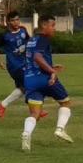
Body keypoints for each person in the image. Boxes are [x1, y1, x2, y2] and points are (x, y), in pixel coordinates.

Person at [21, 15, 73, 152]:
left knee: (35, 113)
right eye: (53, 25)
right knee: (65, 103)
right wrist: (52, 71)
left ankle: (26, 133)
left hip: (30, 80)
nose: (54, 29)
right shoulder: (44, 39)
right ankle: (60, 129)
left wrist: (50, 65)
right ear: (44, 26)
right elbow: (38, 57)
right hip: (45, 78)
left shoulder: (31, 40)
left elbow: (32, 59)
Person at [0, 11, 32, 118]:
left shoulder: (23, 30)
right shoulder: (4, 35)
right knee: (30, 83)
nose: (16, 22)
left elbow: (29, 42)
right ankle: (36, 110)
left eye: (18, 19)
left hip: (25, 63)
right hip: (14, 66)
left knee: (22, 89)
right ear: (8, 22)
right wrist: (0, 62)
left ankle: (2, 104)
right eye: (13, 20)